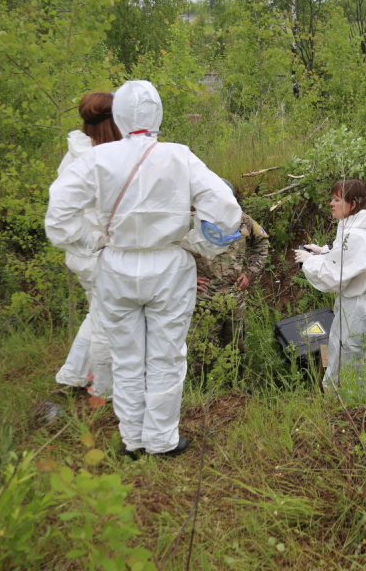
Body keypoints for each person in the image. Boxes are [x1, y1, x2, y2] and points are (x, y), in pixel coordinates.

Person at [46, 80, 241, 459]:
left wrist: (96, 241)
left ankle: (132, 438)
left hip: (116, 265)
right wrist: (198, 243)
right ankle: (161, 439)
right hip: (168, 264)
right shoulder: (179, 156)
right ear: (158, 114)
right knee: (166, 355)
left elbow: (59, 219)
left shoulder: (96, 158)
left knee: (126, 355)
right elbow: (226, 210)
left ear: (118, 114)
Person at [54, 92, 122, 399]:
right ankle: (104, 389)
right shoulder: (103, 158)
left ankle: (73, 375)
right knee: (107, 321)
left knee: (97, 313)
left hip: (81, 251)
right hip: (99, 253)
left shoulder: (73, 154)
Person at [294, 180, 366, 394]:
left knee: (346, 357)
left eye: (337, 199)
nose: (331, 203)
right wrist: (323, 252)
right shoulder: (365, 229)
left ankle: (346, 405)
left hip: (358, 308)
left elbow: (335, 277)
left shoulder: (353, 235)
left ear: (353, 204)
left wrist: (309, 261)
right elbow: (353, 262)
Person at [187, 180, 270, 380]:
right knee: (202, 353)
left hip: (234, 299)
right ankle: (201, 395)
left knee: (236, 348)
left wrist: (249, 272)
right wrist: (185, 279)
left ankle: (234, 392)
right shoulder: (191, 222)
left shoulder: (244, 221)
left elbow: (262, 242)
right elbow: (166, 251)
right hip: (203, 300)